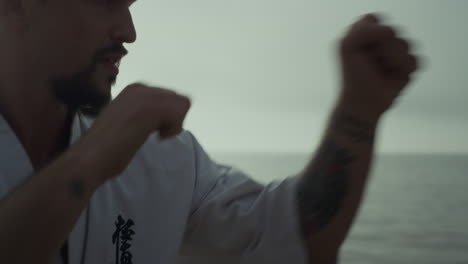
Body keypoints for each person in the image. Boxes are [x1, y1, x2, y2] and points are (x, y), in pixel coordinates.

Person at [0, 0, 420, 263]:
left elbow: (292, 239)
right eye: (106, 1)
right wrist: (90, 163)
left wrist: (357, 115)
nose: (129, 31)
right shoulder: (115, 148)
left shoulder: (159, 155)